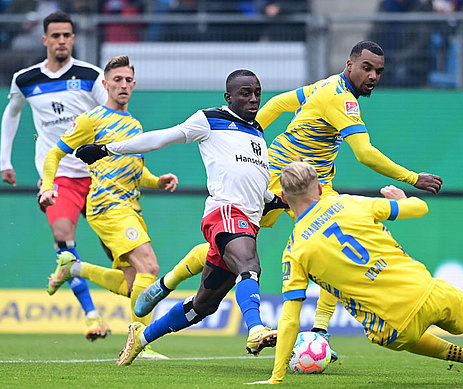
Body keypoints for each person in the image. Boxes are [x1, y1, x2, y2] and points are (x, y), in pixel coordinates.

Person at [130, 40, 443, 361]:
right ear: (349, 65)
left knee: (333, 249)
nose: (373, 76)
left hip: (318, 184)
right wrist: (412, 178)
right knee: (236, 246)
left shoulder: (327, 86)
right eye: (367, 68)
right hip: (279, 175)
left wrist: (252, 128)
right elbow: (364, 154)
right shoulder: (340, 98)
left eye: (378, 71)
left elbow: (280, 102)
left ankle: (319, 334)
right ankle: (167, 283)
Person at [249, 161, 463, 384]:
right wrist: (402, 200)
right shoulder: (350, 203)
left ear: (286, 199)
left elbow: (290, 316)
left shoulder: (294, 250)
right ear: (318, 187)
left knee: (407, 339)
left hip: (392, 323)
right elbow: (420, 210)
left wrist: (276, 378)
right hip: (425, 289)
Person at [73, 69, 279, 365]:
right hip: (225, 213)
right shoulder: (210, 119)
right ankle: (256, 328)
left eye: (257, 92)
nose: (253, 99)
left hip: (249, 220)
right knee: (250, 264)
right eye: (245, 93)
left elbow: (258, 184)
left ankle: (140, 338)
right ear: (228, 97)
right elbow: (160, 138)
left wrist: (278, 200)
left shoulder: (257, 131)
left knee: (202, 307)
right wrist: (107, 149)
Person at [40, 55, 178, 360]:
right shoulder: (92, 120)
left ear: (134, 84)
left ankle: (74, 268)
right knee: (150, 268)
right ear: (105, 84)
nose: (123, 85)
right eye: (117, 80)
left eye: (128, 80)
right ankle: (140, 343)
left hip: (131, 207)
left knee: (134, 285)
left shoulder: (135, 124)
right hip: (107, 206)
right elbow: (54, 153)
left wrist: (157, 181)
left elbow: (135, 171)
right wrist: (49, 185)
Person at [0, 11, 110, 341]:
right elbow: (11, 116)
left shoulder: (91, 75)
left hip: (97, 176)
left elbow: (111, 117)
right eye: (56, 35)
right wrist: (4, 160)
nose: (62, 40)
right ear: (45, 39)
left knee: (116, 251)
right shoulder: (26, 78)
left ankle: (136, 321)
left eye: (67, 35)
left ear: (73, 39)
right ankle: (92, 316)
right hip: (57, 178)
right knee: (65, 244)